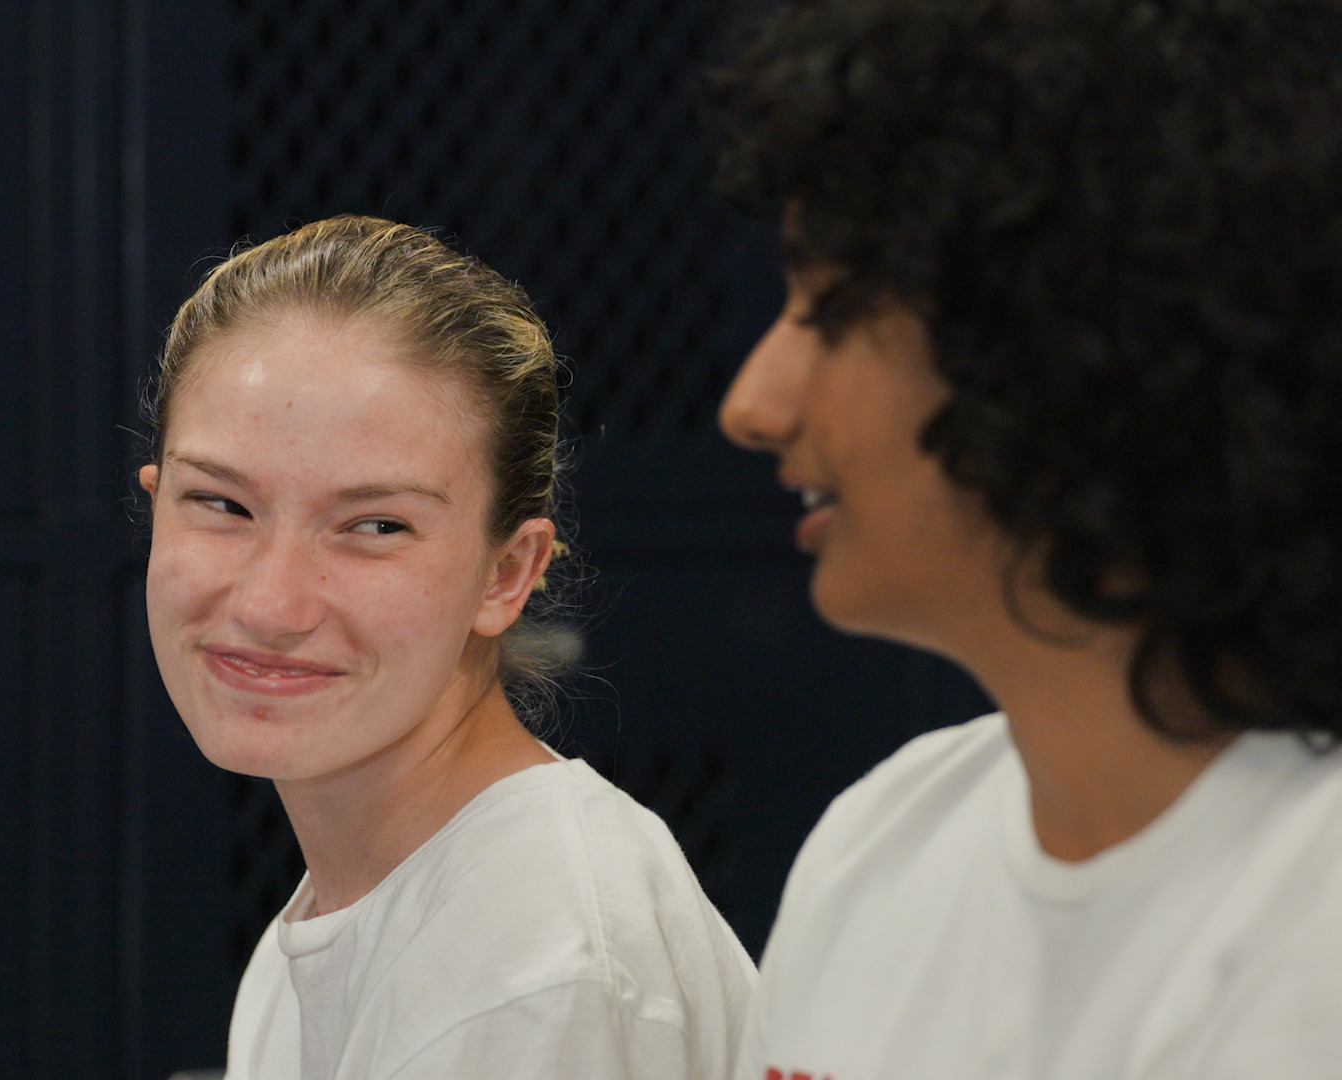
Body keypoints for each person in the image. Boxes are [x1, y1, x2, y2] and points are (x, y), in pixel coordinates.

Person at [708, 0, 1342, 1077]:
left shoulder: (1308, 912)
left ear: (1062, 334)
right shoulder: (880, 840)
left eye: (826, 308)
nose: (751, 405)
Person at [138, 215, 754, 1078]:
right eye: (223, 506)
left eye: (375, 526)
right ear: (156, 502)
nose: (271, 603)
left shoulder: (533, 965)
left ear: (507, 573)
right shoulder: (335, 926)